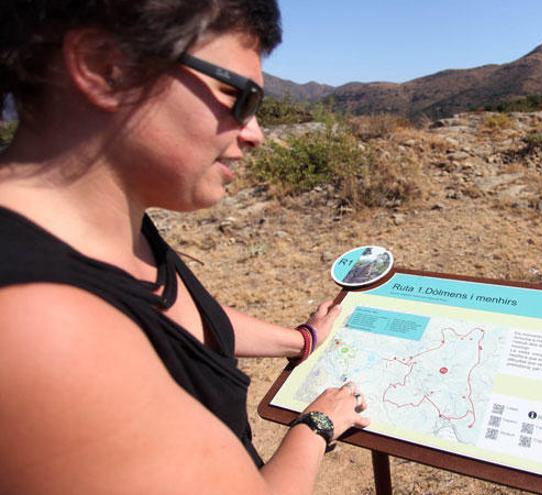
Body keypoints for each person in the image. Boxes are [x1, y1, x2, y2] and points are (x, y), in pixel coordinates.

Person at [0, 1, 369, 493]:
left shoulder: (99, 231)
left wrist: (301, 339)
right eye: (236, 96)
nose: (255, 133)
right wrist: (317, 424)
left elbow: (182, 318)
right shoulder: (38, 330)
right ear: (104, 68)